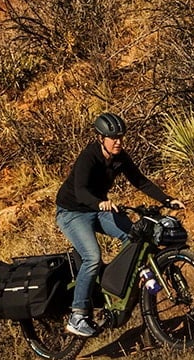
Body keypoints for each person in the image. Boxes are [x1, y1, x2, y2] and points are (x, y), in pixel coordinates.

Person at [54, 112, 182, 338]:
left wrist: (167, 200)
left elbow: (140, 181)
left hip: (98, 209)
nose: (118, 142)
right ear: (100, 138)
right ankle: (78, 315)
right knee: (92, 257)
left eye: (121, 137)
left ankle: (113, 282)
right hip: (72, 212)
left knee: (134, 237)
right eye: (113, 138)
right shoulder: (89, 157)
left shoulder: (120, 157)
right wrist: (100, 202)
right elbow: (81, 190)